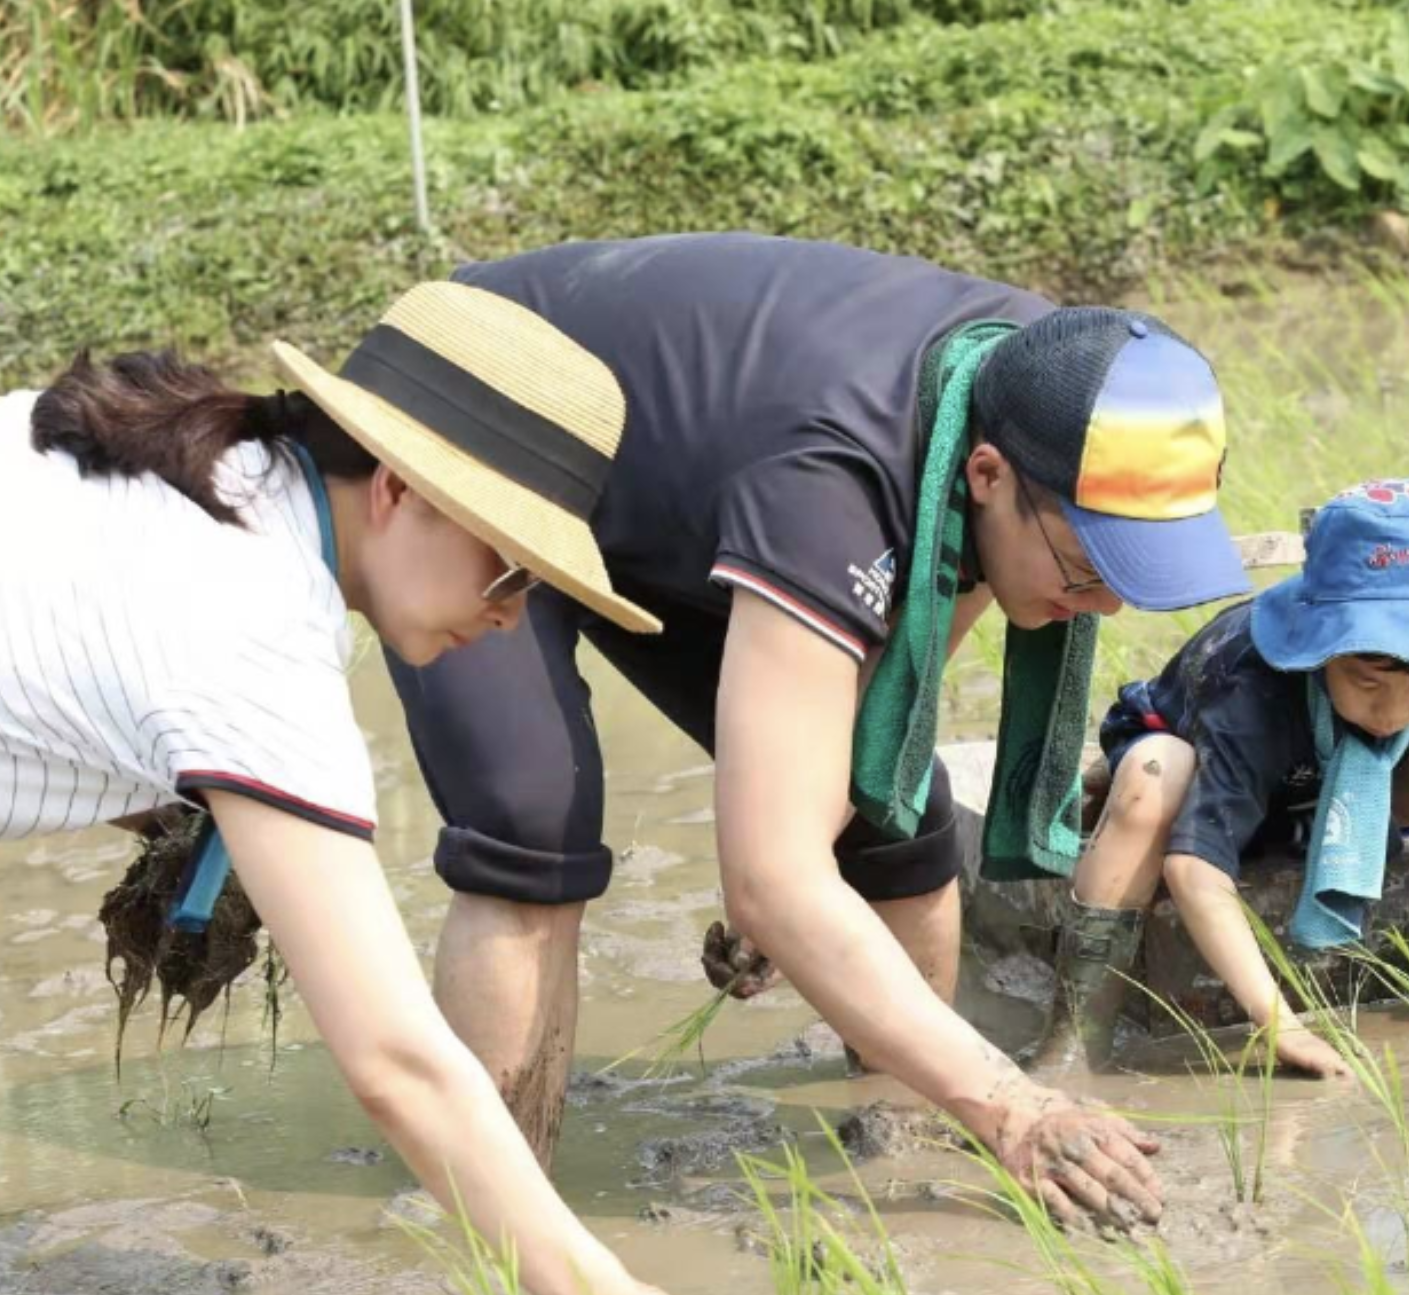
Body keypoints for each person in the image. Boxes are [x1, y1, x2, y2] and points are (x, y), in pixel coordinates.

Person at [0, 283, 716, 1295]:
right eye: (513, 566)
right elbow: (400, 1062)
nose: (514, 612)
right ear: (398, 489)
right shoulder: (253, 628)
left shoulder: (210, 477)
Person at [383, 232, 1254, 1228]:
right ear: (986, 476)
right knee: (531, 819)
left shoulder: (1050, 381)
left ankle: (901, 1149)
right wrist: (1013, 1100)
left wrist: (793, 865)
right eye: (1088, 569)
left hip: (681, 471)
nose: (1099, 607)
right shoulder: (835, 482)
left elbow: (889, 693)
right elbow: (775, 873)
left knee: (896, 812)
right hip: (482, 412)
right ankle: (492, 1213)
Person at [1034, 478, 1409, 1075]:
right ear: (1318, 649)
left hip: (1319, 786)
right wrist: (1281, 1028)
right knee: (1154, 774)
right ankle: (1076, 1042)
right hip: (1209, 780)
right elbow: (1193, 870)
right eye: (1367, 682)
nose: (1392, 711)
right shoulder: (1249, 689)